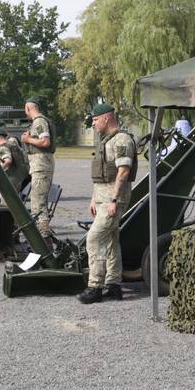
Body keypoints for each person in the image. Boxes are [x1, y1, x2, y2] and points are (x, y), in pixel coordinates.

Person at [78, 103, 137, 304]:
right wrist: (94, 199)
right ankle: (114, 285)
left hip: (114, 201)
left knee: (94, 239)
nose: (93, 124)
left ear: (107, 117)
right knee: (112, 241)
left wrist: (113, 200)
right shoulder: (106, 140)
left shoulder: (122, 140)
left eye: (95, 120)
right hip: (103, 200)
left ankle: (95, 286)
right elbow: (102, 176)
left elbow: (123, 171)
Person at [21, 96, 56, 235]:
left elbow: (45, 142)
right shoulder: (39, 121)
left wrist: (27, 139)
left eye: (26, 110)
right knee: (37, 203)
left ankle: (44, 238)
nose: (25, 113)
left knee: (38, 205)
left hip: (41, 166)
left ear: (28, 108)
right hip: (39, 166)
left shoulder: (39, 121)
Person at [0, 129, 29, 194]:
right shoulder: (14, 144)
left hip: (12, 178)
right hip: (23, 176)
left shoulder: (2, 148)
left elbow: (8, 161)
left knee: (5, 202)